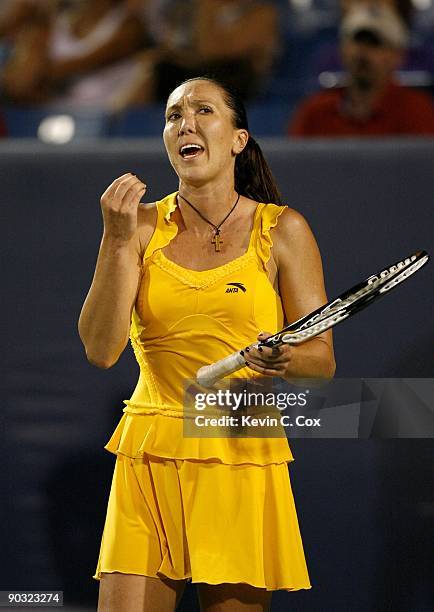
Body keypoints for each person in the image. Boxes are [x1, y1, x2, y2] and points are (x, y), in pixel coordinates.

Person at [79, 76, 335, 611]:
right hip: (149, 452)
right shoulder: (140, 227)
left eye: (202, 111)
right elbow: (101, 350)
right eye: (173, 116)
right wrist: (116, 237)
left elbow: (321, 365)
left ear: (239, 139)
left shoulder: (283, 230)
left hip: (240, 449)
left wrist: (285, 358)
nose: (185, 123)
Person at [288, 4, 434, 138]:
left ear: (397, 55)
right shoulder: (314, 112)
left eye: (375, 43)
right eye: (357, 41)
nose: (362, 52)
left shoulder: (417, 110)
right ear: (342, 50)